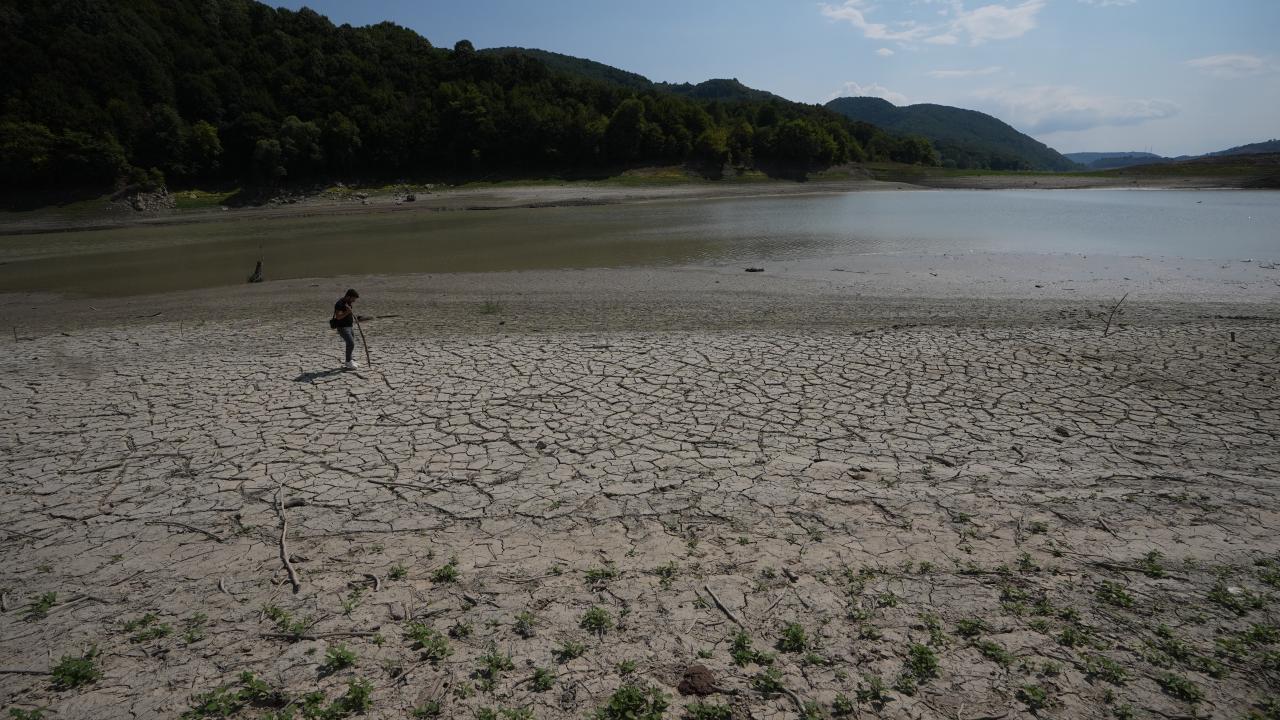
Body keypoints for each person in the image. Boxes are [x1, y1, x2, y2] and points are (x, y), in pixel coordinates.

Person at [333, 288, 360, 370]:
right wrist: (347, 312)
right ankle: (348, 362)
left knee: (350, 344)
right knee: (351, 343)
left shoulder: (348, 302)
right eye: (353, 298)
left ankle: (350, 360)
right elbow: (338, 317)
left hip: (349, 326)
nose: (354, 300)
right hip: (342, 327)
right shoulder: (339, 304)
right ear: (348, 296)